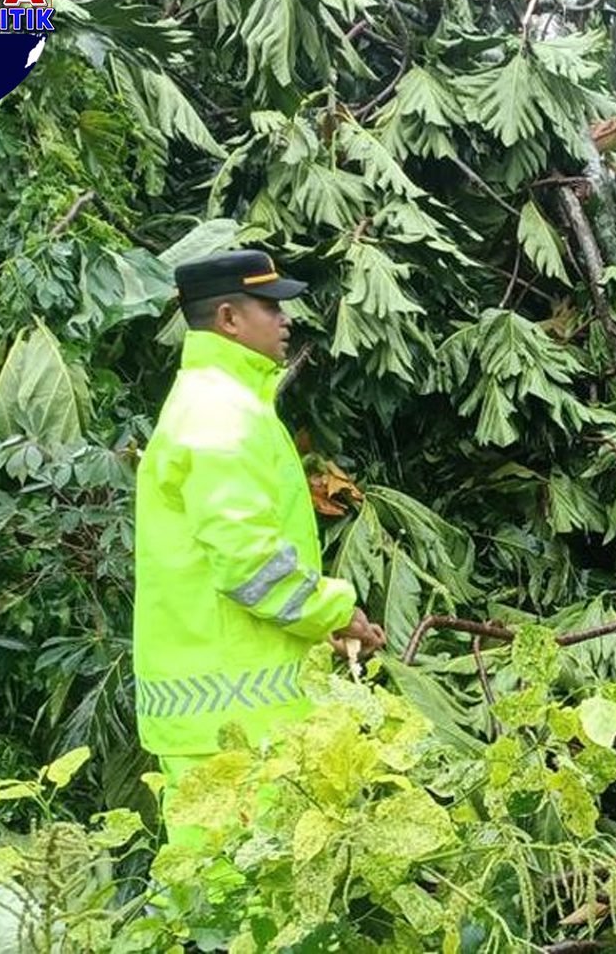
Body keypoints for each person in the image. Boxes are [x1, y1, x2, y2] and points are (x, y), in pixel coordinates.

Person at [132, 249, 386, 828]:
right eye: (270, 306)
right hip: (235, 724)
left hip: (224, 711)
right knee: (230, 897)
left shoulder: (216, 402)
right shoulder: (221, 415)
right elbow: (249, 564)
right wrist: (334, 613)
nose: (285, 319)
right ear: (227, 319)